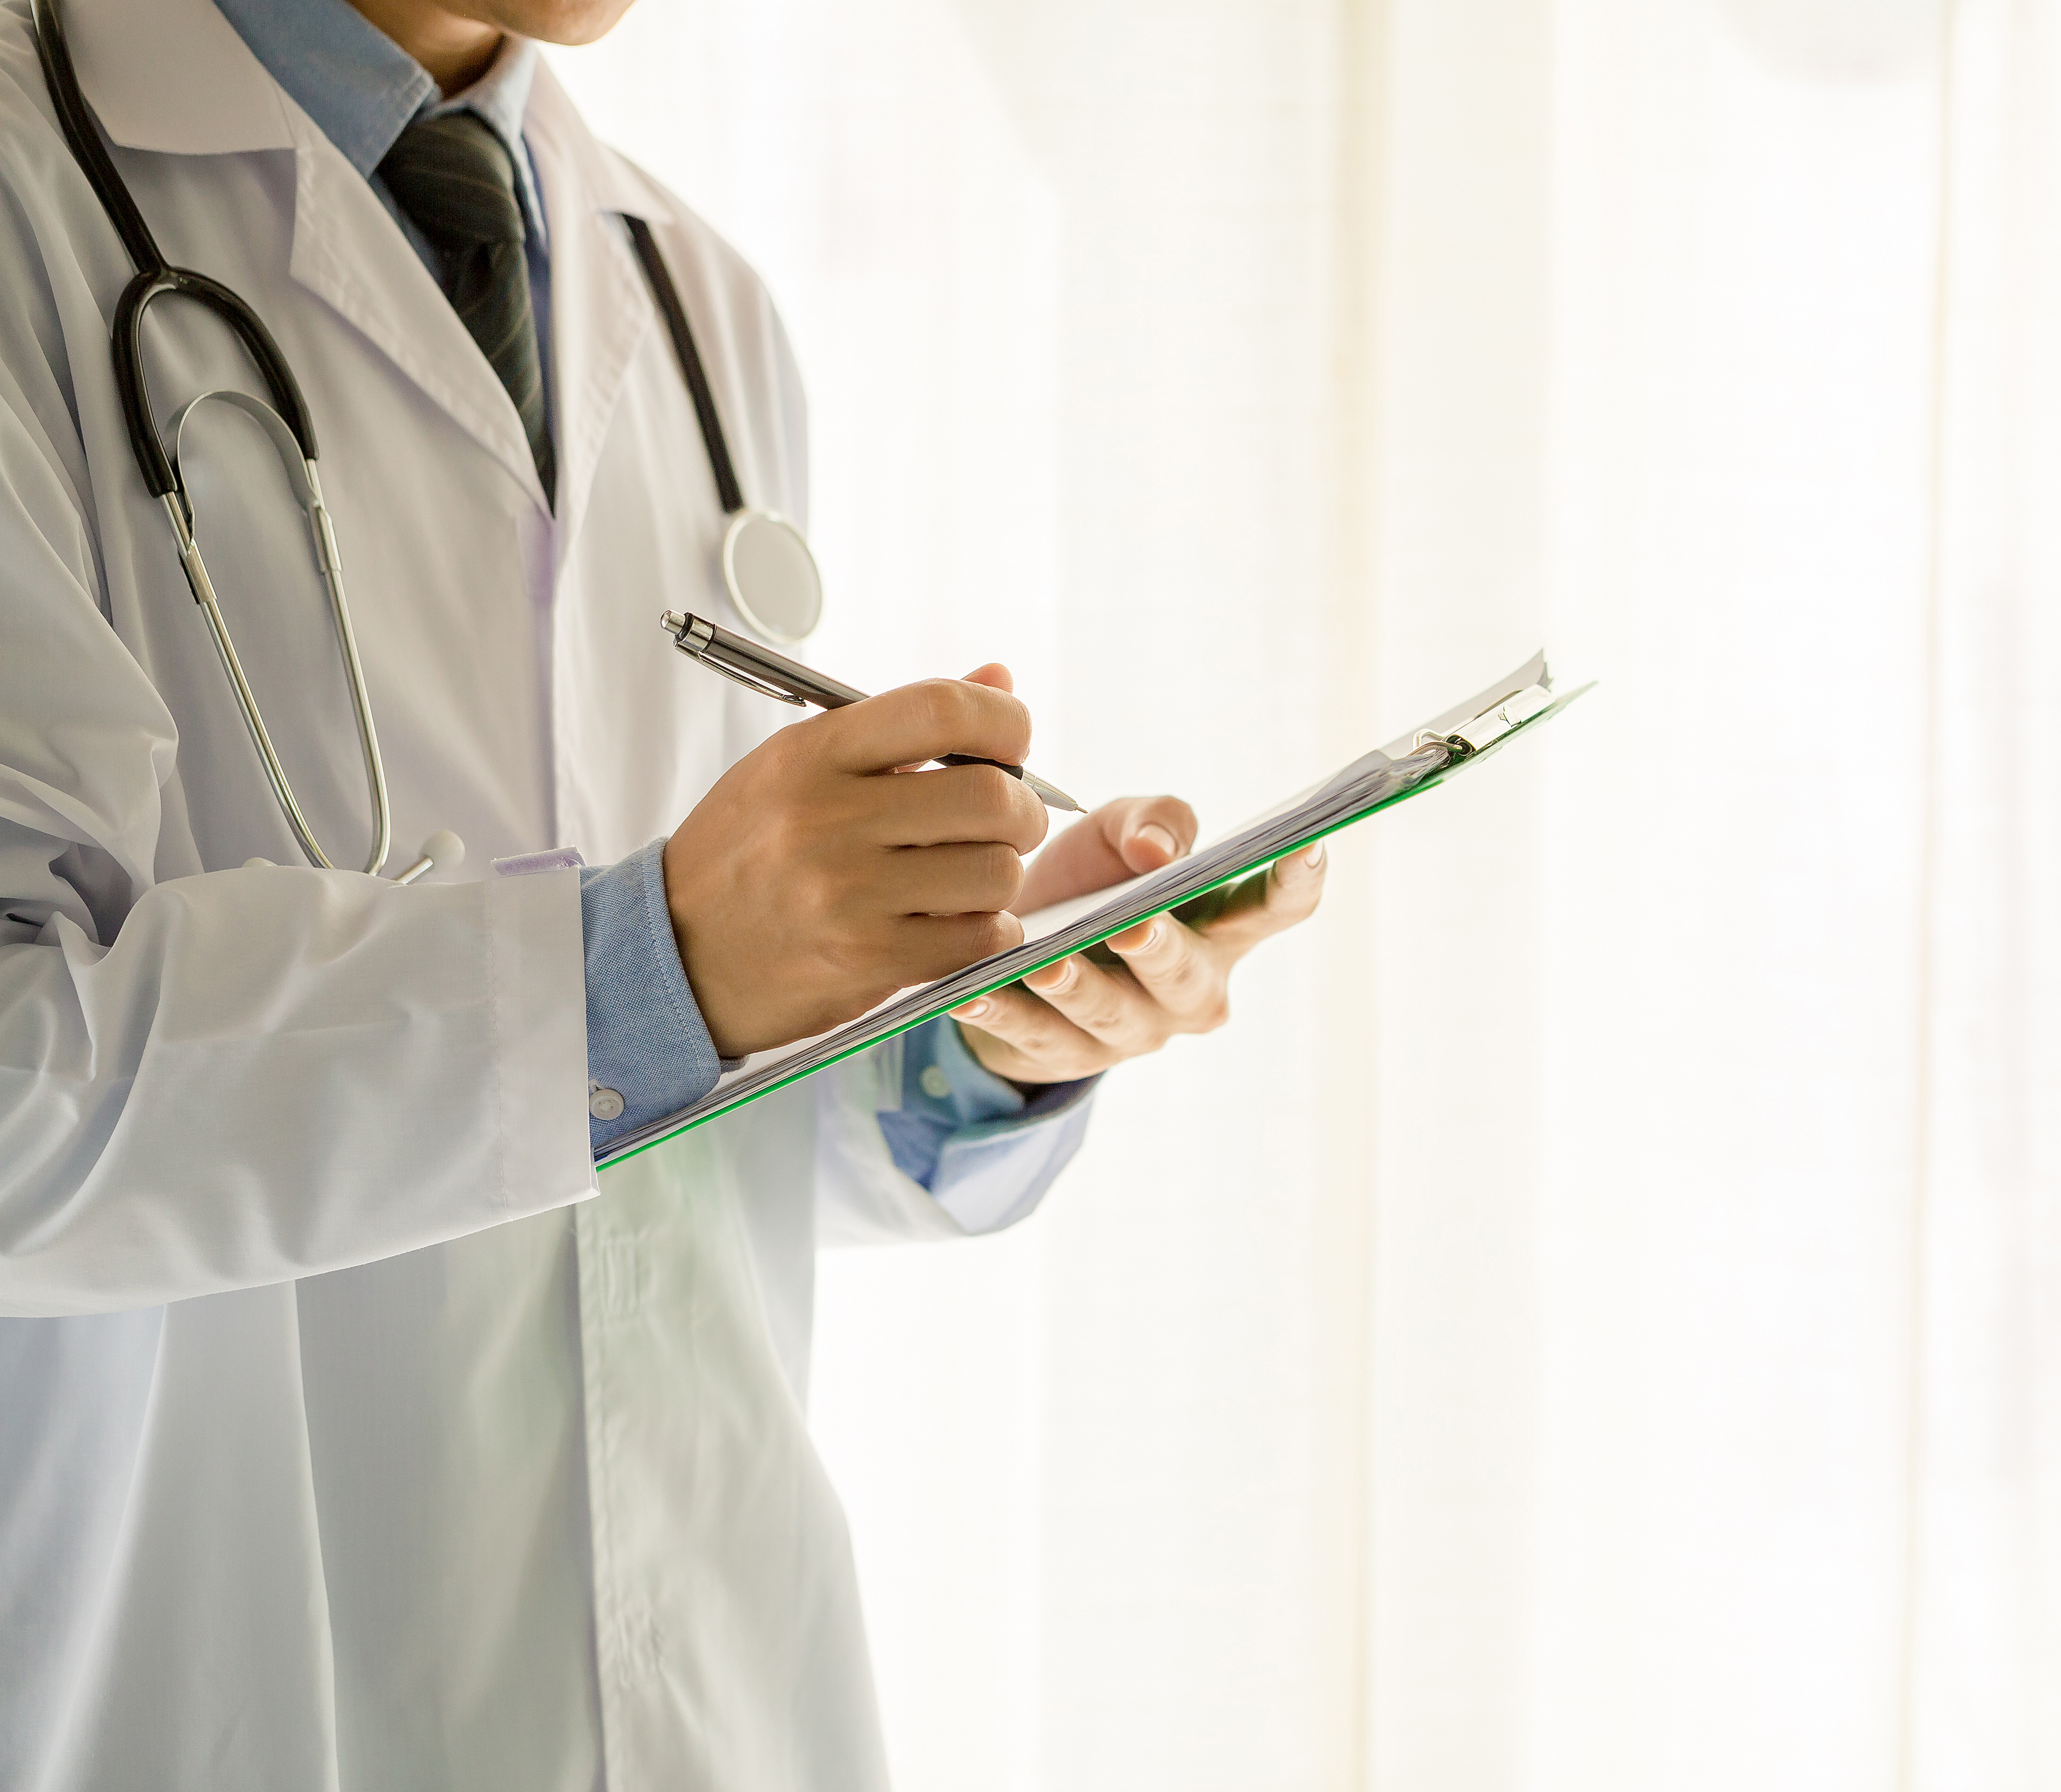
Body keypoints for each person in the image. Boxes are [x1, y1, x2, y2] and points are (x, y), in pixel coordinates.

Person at [0, 0, 1325, 1782]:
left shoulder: (695, 297)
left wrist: (965, 1034)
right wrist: (649, 967)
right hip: (195, 1689)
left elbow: (647, 1127)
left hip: (706, 1697)